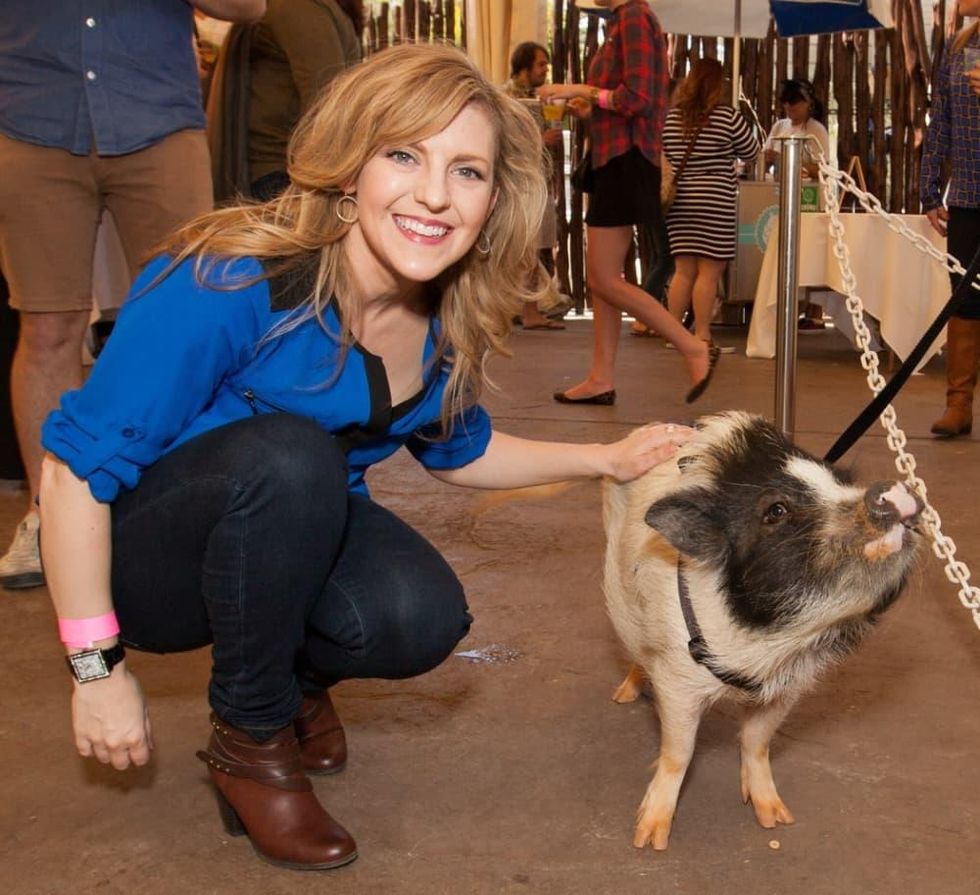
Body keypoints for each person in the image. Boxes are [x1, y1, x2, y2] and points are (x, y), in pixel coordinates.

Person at [38, 43, 692, 872]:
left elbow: (461, 451)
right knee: (294, 456)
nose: (434, 194)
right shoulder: (230, 280)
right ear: (351, 168)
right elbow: (69, 471)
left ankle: (291, 680)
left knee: (420, 613)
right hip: (147, 562)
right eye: (404, 155)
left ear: (493, 200)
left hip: (283, 532)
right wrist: (95, 669)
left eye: (466, 171)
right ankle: (251, 739)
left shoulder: (444, 320)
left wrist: (606, 458)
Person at [0, 0, 267, 592]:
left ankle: (185, 512)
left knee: (192, 323)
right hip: (30, 120)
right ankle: (48, 516)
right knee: (47, 328)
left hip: (158, 123)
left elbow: (249, 8)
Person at [537, 0, 718, 406]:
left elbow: (639, 99)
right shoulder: (624, 21)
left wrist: (577, 90)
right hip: (614, 158)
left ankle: (691, 346)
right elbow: (623, 102)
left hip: (626, 159)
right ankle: (601, 377)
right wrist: (590, 109)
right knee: (604, 279)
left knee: (603, 278)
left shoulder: (635, 17)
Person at [209, 0, 363, 202]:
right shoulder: (297, 8)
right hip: (279, 175)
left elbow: (326, 100)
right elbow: (327, 101)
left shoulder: (298, 8)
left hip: (280, 175)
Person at [662, 59, 758, 351]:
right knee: (709, 272)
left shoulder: (672, 118)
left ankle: (673, 333)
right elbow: (751, 151)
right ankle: (702, 335)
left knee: (683, 271)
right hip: (716, 199)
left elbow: (664, 152)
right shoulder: (727, 117)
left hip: (680, 199)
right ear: (718, 85)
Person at [922, 0, 980, 438]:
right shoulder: (958, 47)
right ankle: (958, 404)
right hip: (967, 196)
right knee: (964, 301)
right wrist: (929, 189)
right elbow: (939, 120)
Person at [502, 41, 567, 330]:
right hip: (518, 183)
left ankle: (529, 310)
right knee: (522, 247)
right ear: (524, 66)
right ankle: (522, 311)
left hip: (536, 179)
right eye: (540, 64)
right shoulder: (507, 97)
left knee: (534, 248)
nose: (545, 70)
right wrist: (541, 140)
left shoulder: (538, 97)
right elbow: (505, 140)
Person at [763, 78, 831, 331]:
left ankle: (812, 310)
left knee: (808, 253)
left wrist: (792, 160)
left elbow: (822, 166)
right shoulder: (779, 126)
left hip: (809, 198)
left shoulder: (817, 130)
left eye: (795, 105)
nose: (790, 110)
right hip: (780, 195)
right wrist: (770, 157)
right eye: (786, 106)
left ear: (808, 104)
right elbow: (766, 154)